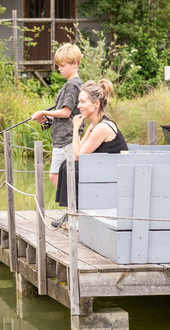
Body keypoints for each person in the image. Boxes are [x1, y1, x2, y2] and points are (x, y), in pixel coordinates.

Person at [54, 79, 128, 226]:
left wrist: (75, 129)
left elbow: (77, 155)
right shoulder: (94, 125)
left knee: (71, 166)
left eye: (82, 102)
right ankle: (71, 213)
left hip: (114, 174)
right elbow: (78, 151)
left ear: (96, 104)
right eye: (79, 102)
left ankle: (74, 215)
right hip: (103, 169)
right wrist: (77, 129)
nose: (78, 106)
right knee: (66, 164)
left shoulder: (103, 127)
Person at [31, 43, 83, 188]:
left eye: (62, 65)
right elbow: (68, 113)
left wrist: (43, 112)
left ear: (74, 63)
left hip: (67, 139)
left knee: (56, 176)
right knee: (59, 176)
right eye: (58, 65)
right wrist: (50, 119)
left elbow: (66, 113)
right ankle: (71, 208)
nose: (59, 69)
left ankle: (72, 208)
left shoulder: (73, 85)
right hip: (63, 139)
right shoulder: (70, 84)